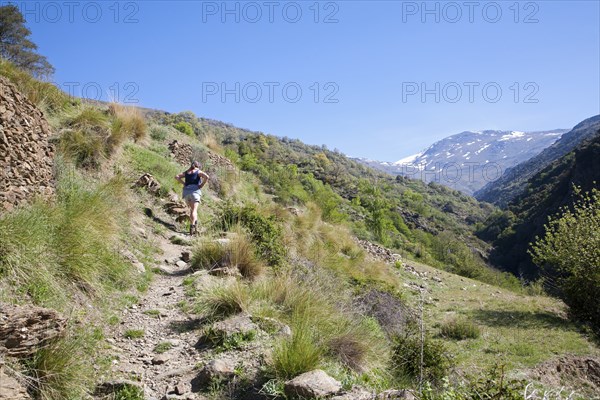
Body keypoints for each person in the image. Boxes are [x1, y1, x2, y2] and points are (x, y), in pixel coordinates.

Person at [175, 161, 209, 235]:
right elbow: (206, 177)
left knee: (192, 210)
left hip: (186, 192)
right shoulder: (198, 171)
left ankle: (195, 227)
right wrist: (201, 185)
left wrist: (184, 183)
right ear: (198, 166)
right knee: (194, 210)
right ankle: (192, 226)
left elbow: (177, 176)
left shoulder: (187, 172)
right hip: (195, 192)